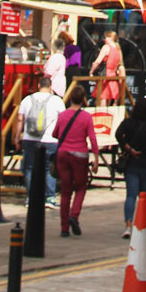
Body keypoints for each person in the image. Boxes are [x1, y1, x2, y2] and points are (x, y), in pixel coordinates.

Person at [52, 83, 99, 237]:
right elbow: (92, 138)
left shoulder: (63, 115)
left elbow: (55, 133)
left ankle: (64, 228)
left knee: (65, 191)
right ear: (83, 99)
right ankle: (74, 215)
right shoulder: (86, 117)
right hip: (80, 155)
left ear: (70, 98)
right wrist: (96, 158)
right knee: (80, 188)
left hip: (63, 153)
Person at [115, 96, 146, 239]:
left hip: (132, 164)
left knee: (130, 195)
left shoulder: (129, 123)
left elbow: (118, 134)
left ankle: (128, 226)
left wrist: (129, 149)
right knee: (144, 196)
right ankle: (144, 224)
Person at [17, 74, 65, 206]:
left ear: (38, 86)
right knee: (48, 168)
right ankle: (49, 197)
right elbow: (62, 121)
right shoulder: (57, 101)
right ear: (50, 87)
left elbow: (20, 119)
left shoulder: (27, 100)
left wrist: (16, 137)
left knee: (30, 168)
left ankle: (30, 197)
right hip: (50, 139)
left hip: (30, 138)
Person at [89, 30, 125, 106]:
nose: (104, 39)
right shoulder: (118, 49)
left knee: (102, 99)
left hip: (104, 76)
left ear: (110, 38)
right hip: (113, 77)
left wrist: (91, 71)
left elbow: (98, 61)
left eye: (106, 37)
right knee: (108, 102)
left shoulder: (106, 47)